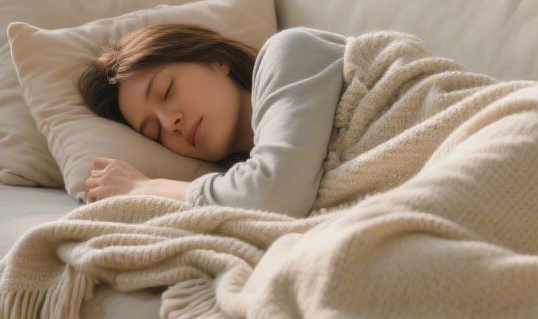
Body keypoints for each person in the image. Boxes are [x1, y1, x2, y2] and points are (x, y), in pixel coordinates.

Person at [77, 23, 346, 217]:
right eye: (155, 132)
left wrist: (144, 186)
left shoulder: (289, 51)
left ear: (217, 60)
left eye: (167, 90)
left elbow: (275, 193)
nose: (170, 123)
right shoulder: (232, 185)